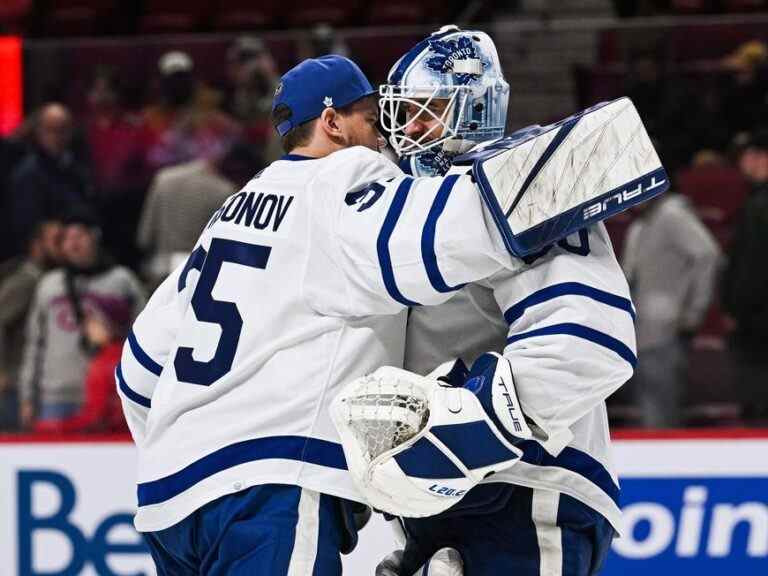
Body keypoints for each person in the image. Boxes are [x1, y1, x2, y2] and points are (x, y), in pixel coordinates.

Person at [119, 55, 515, 575]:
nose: (385, 138)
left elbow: (138, 370)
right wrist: (537, 194)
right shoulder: (348, 174)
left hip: (168, 497)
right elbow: (438, 241)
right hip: (268, 484)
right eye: (372, 121)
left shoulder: (228, 214)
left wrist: (188, 443)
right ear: (333, 123)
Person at [377, 26, 636, 575]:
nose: (412, 129)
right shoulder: (400, 202)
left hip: (528, 478)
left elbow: (588, 341)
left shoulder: (527, 183)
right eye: (406, 114)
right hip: (435, 492)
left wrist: (460, 434)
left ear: (474, 106)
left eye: (431, 109)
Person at [18, 208, 145, 430]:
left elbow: (146, 336)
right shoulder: (49, 284)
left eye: (79, 236)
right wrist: (27, 396)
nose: (73, 244)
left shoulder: (122, 281)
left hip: (109, 396)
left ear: (94, 237)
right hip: (56, 397)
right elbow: (34, 343)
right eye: (66, 239)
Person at [622, 190, 721, 428]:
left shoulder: (671, 215)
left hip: (665, 330)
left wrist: (693, 311)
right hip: (641, 330)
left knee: (660, 411)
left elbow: (708, 254)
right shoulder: (641, 225)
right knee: (649, 407)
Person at [137, 140, 260, 287]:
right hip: (197, 274)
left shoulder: (164, 178)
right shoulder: (226, 191)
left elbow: (144, 237)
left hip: (159, 268)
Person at [722, 130, 768, 422]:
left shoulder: (759, 205)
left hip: (758, 323)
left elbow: (752, 265)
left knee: (758, 398)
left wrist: (736, 309)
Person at [0, 220, 63, 430]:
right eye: (56, 240)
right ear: (37, 246)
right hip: (14, 384)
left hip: (34, 381)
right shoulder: (27, 280)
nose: (62, 246)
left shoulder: (54, 279)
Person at [8, 103, 92, 256]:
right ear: (39, 133)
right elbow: (25, 225)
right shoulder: (28, 173)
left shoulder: (78, 166)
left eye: (63, 130)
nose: (57, 137)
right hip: (44, 254)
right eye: (51, 130)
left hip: (80, 246)